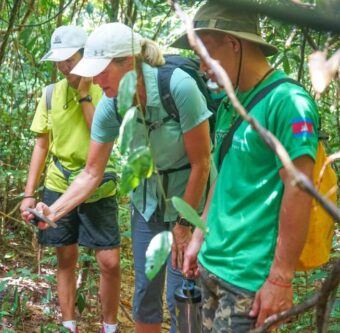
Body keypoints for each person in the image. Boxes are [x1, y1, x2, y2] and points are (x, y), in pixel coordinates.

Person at [29, 22, 212, 333]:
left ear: (129, 62)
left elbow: (202, 163)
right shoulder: (110, 106)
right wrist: (54, 211)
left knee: (182, 294)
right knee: (145, 293)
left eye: (102, 71)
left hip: (188, 199)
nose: (96, 80)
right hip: (148, 201)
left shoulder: (178, 87)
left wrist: (185, 226)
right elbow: (91, 173)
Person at [173, 1, 319, 331]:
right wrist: (199, 234)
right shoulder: (231, 102)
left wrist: (281, 278)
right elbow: (222, 179)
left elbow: (300, 190)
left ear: (234, 44)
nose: (202, 66)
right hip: (212, 266)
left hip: (247, 282)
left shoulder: (289, 103)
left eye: (206, 52)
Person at [20, 25, 121, 333]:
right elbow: (42, 144)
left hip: (98, 186)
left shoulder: (105, 88)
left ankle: (110, 328)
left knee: (110, 262)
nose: (64, 67)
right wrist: (28, 193)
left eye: (70, 59)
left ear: (84, 54)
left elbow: (101, 136)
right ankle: (68, 325)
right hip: (59, 183)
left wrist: (83, 96)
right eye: (59, 61)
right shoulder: (50, 94)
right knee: (66, 257)